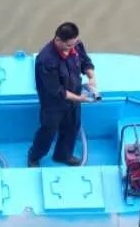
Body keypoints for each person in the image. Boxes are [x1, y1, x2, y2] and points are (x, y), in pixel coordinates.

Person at [28, 22, 97, 167]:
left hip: (74, 100)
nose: (72, 48)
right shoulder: (46, 60)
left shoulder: (76, 45)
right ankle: (34, 156)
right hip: (53, 105)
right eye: (68, 46)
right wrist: (81, 98)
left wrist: (91, 77)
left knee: (72, 127)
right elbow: (56, 90)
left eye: (74, 44)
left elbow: (85, 61)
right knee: (48, 131)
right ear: (58, 40)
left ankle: (62, 156)